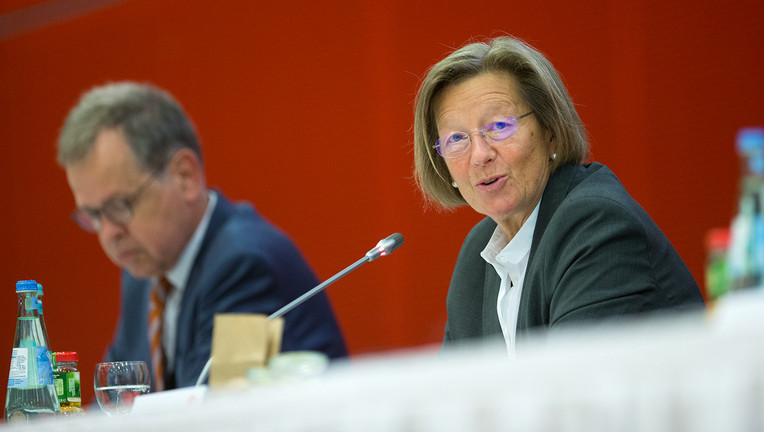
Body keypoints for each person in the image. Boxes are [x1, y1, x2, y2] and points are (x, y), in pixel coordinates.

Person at [412, 36, 705, 354]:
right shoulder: (477, 257)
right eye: (456, 138)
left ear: (550, 131)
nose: (480, 155)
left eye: (499, 126)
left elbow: (577, 380)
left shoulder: (595, 224)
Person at [57, 82, 347, 390]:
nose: (109, 233)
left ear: (185, 176)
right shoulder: (142, 275)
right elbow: (118, 402)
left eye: (119, 206)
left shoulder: (243, 265)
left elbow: (213, 409)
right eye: (93, 215)